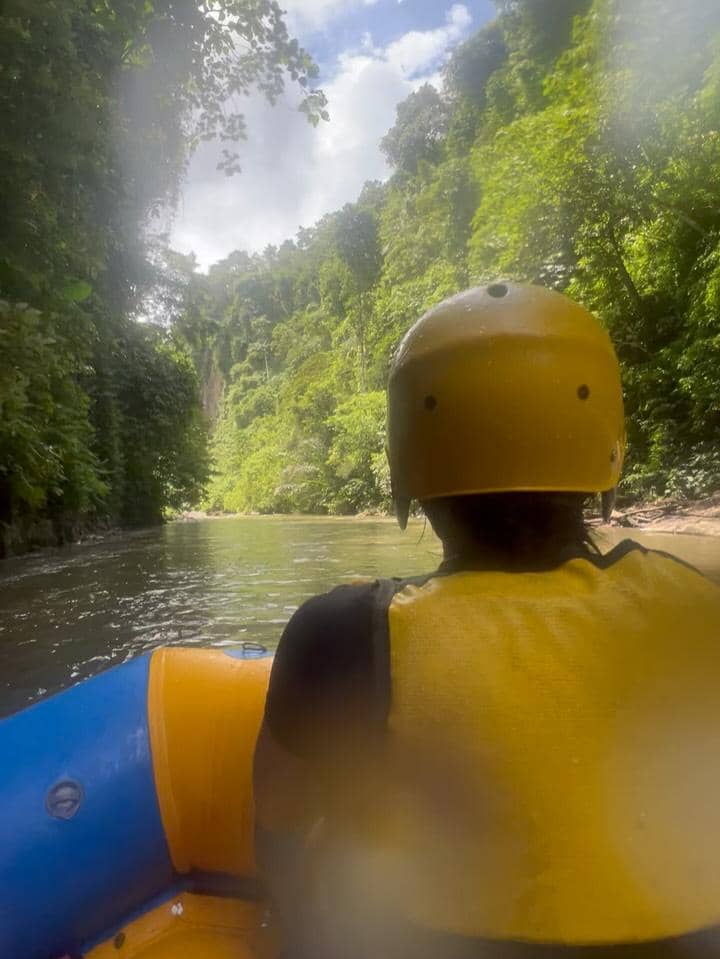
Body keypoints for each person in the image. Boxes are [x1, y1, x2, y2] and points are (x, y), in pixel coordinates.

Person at [253, 282, 720, 958]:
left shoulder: (342, 633)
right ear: (605, 454)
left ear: (410, 470)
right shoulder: (697, 605)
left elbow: (279, 822)